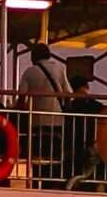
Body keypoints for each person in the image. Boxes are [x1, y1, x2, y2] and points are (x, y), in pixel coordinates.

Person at [19, 42, 70, 184]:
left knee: (37, 157)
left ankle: (37, 182)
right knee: (55, 157)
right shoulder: (60, 68)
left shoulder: (29, 72)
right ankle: (53, 183)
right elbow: (68, 93)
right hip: (57, 121)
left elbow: (21, 97)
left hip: (36, 121)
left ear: (33, 57)